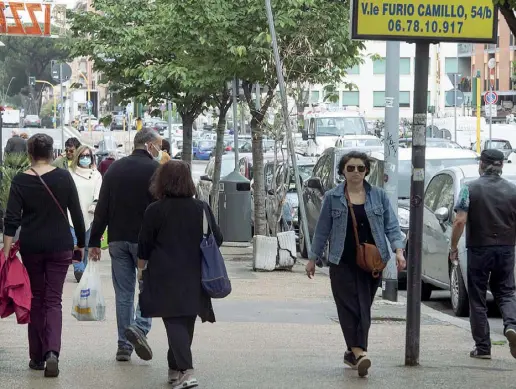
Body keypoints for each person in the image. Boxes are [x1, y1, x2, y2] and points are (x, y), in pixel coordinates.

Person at [306, 151, 406, 378]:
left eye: (360, 168)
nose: (355, 172)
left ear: (366, 171)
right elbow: (322, 230)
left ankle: (352, 353)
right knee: (348, 307)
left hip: (371, 262)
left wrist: (399, 251)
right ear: (343, 171)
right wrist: (313, 258)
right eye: (350, 168)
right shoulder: (333, 197)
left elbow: (391, 226)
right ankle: (360, 352)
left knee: (363, 307)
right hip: (341, 261)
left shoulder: (378, 196)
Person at [3, 133, 85, 378]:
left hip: (32, 247)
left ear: (30, 154)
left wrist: (7, 250)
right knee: (53, 300)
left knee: (36, 298)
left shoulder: (20, 180)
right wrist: (80, 243)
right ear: (51, 153)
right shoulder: (63, 177)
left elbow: (11, 219)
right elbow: (76, 213)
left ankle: (37, 356)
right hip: (60, 245)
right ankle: (52, 352)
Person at [138, 161, 221, 388]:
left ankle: (184, 370)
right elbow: (218, 238)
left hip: (164, 274)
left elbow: (144, 245)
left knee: (174, 321)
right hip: (195, 273)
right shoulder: (201, 208)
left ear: (162, 181)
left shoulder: (154, 210)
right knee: (185, 321)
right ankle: (176, 368)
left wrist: (141, 270)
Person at [89, 128, 161, 362]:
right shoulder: (156, 170)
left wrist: (94, 241)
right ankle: (139, 328)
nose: (160, 150)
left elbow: (102, 208)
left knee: (124, 294)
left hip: (118, 240)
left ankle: (123, 345)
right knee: (149, 287)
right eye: (158, 145)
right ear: (149, 145)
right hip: (146, 243)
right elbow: (162, 209)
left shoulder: (115, 169)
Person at [450, 149, 516, 360]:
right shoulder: (513, 190)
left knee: (477, 298)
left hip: (479, 248)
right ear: (501, 166)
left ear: (481, 164)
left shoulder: (469, 189)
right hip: (506, 247)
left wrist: (453, 248)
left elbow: (460, 220)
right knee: (506, 292)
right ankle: (511, 326)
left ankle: (483, 348)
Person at [69, 145, 102, 282]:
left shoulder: (96, 175)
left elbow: (98, 193)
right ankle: (79, 269)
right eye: (82, 156)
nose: (85, 158)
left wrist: (95, 203)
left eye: (87, 156)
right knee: (76, 245)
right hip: (71, 215)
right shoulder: (70, 173)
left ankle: (86, 272)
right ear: (77, 157)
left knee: (87, 246)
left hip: (89, 215)